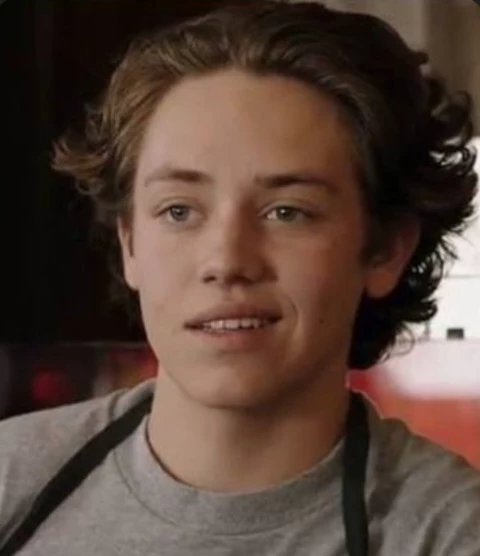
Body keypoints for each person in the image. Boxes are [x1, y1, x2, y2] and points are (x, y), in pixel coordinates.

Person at [1, 1, 479, 554]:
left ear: (385, 250)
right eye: (179, 210)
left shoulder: (448, 534)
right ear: (130, 243)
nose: (226, 261)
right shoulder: (13, 475)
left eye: (287, 212)